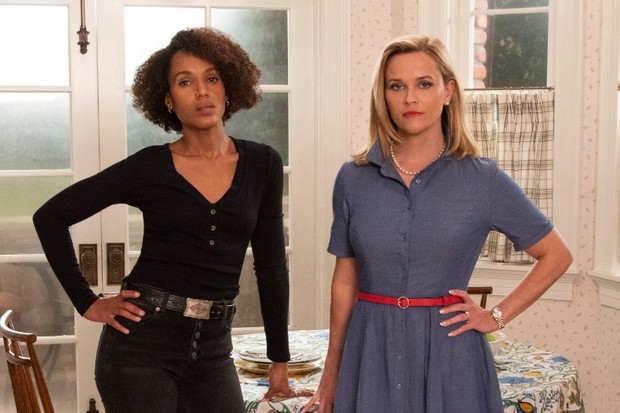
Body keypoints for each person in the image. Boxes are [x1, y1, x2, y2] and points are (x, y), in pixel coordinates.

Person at [303, 34, 573, 413]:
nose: (410, 99)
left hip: (452, 361)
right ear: (383, 96)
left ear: (447, 92)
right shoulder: (353, 178)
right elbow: (345, 281)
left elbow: (557, 255)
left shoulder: (482, 180)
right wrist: (331, 375)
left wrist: (495, 316)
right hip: (369, 355)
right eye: (397, 86)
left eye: (424, 84)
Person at [33, 27, 296, 413]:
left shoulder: (263, 164)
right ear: (169, 100)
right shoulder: (149, 167)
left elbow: (272, 267)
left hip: (213, 352)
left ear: (228, 88)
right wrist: (87, 303)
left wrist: (279, 360)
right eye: (185, 82)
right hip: (140, 351)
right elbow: (50, 216)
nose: (202, 92)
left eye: (212, 79)